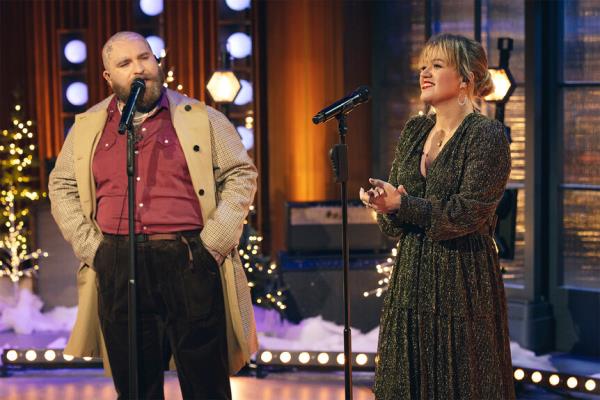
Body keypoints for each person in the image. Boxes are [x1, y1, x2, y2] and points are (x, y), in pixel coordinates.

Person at [49, 31, 258, 399]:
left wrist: (213, 243)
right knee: (134, 385)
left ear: (157, 63)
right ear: (108, 77)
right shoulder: (88, 127)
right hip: (118, 259)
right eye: (124, 63)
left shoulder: (199, 116)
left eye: (144, 58)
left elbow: (241, 174)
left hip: (188, 257)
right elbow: (61, 185)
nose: (138, 68)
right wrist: (92, 249)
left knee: (205, 382)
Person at [360, 33, 515, 399]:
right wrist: (385, 203)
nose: (425, 73)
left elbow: (466, 214)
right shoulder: (416, 130)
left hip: (462, 280)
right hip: (411, 277)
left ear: (465, 79)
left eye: (437, 65)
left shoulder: (486, 135)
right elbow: (396, 217)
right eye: (423, 66)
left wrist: (405, 205)